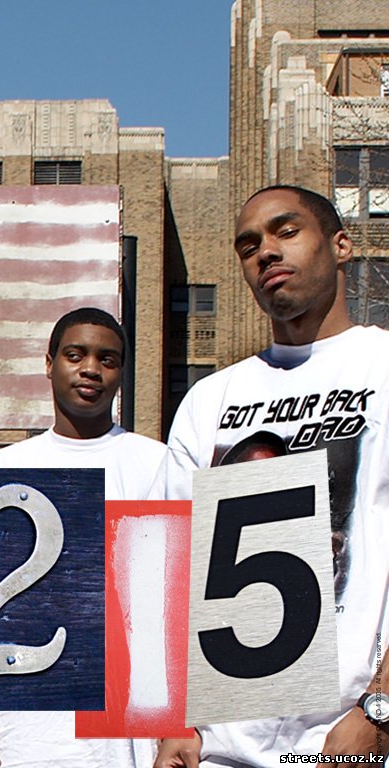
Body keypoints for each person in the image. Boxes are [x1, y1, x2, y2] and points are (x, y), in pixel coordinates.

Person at [154, 186, 389, 767]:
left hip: (346, 736)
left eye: (287, 231)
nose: (266, 252)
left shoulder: (381, 367)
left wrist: (380, 708)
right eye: (248, 245)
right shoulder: (210, 400)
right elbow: (171, 563)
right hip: (219, 744)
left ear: (341, 245)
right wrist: (175, 719)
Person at [0, 307, 165, 768]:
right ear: (49, 363)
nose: (91, 368)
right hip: (27, 716)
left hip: (124, 713)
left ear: (120, 373)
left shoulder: (156, 462)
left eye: (107, 359)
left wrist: (176, 725)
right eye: (76, 355)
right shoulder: (7, 465)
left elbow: (173, 603)